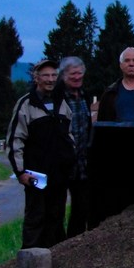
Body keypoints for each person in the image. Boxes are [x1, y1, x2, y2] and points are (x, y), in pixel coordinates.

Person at [7, 59, 75, 249]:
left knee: (56, 218)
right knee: (35, 219)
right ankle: (29, 263)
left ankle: (54, 262)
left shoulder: (62, 102)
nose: (50, 79)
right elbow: (15, 140)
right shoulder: (26, 104)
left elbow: (69, 134)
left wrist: (71, 156)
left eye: (54, 75)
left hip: (60, 175)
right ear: (36, 78)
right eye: (45, 75)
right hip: (36, 176)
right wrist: (20, 172)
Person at [57, 56, 92, 238]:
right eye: (73, 74)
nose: (77, 77)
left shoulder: (85, 95)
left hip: (82, 163)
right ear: (63, 76)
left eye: (80, 73)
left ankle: (74, 244)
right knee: (57, 209)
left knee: (81, 208)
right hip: (63, 162)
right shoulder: (57, 97)